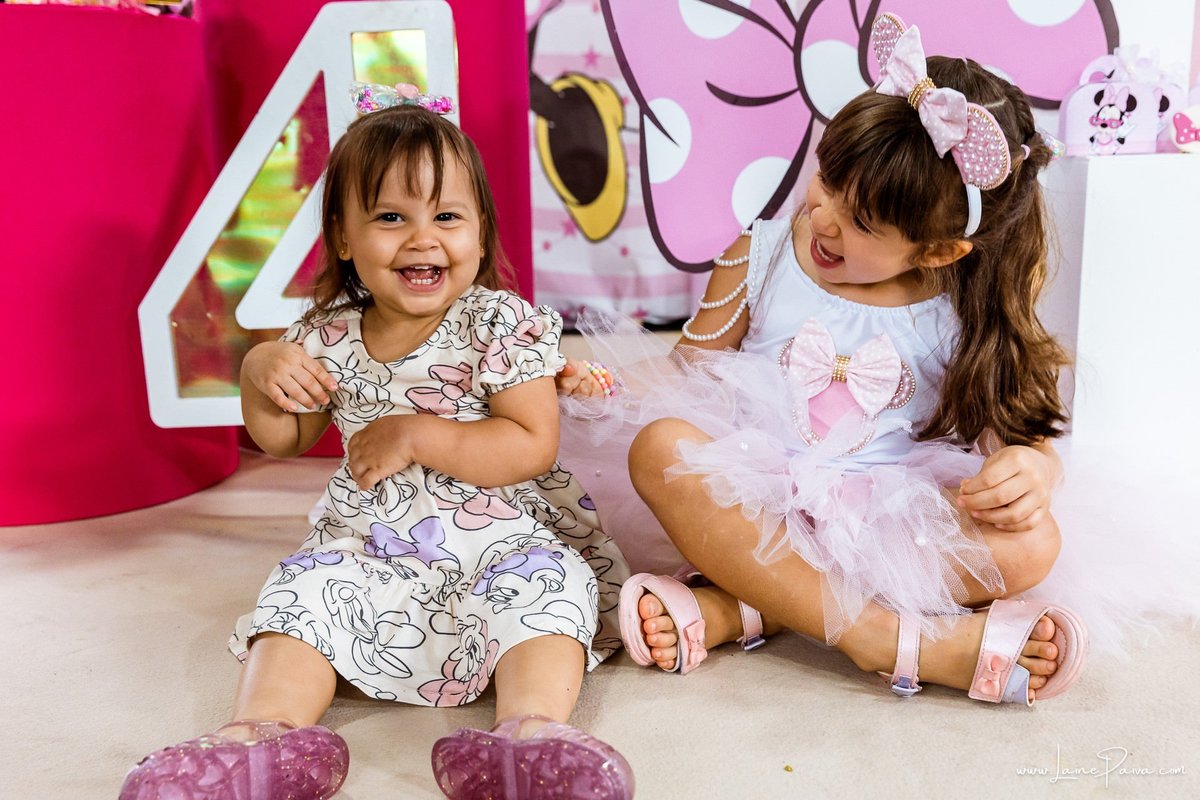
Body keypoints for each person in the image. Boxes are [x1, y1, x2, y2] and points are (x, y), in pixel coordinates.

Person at [558, 14, 1088, 707]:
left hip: (887, 515)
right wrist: (601, 386)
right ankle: (886, 635)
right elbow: (692, 375)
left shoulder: (963, 309)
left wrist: (1034, 469)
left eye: (864, 222)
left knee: (1034, 543)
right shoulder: (762, 253)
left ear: (934, 251)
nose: (827, 217)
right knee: (661, 449)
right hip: (759, 497)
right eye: (829, 179)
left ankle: (751, 605)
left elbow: (1021, 429)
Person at [121, 87, 633, 800]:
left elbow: (531, 443)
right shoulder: (327, 332)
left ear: (481, 232)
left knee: (548, 591)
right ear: (343, 237)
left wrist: (419, 434)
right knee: (300, 596)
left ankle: (529, 734)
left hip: (501, 539)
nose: (422, 239)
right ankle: (261, 739)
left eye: (447, 217)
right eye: (391, 217)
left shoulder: (497, 323)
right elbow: (284, 438)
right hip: (371, 547)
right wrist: (257, 372)